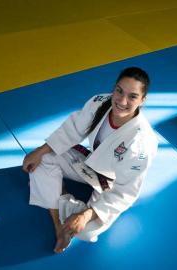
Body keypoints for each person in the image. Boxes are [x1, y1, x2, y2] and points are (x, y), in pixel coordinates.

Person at [22, 67, 158, 253]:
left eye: (132, 96)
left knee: (85, 232)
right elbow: (72, 130)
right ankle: (59, 225)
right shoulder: (100, 102)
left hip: (110, 185)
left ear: (143, 100)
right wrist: (39, 151)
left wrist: (86, 215)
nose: (122, 101)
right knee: (42, 158)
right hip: (90, 163)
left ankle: (54, 192)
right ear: (114, 88)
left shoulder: (142, 143)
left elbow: (125, 192)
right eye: (119, 90)